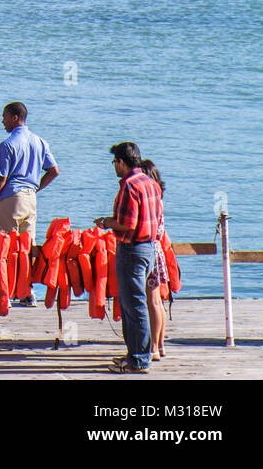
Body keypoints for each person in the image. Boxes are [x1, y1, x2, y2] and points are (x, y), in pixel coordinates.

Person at [94, 142, 163, 374]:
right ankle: (135, 353)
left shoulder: (129, 186)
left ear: (122, 162)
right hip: (150, 248)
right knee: (135, 304)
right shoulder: (151, 183)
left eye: (115, 162)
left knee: (133, 305)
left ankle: (139, 359)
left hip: (133, 249)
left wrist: (105, 222)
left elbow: (126, 224)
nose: (114, 166)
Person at [0, 101, 56, 306]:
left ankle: (3, 292)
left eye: (5, 116)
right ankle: (27, 293)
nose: (2, 121)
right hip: (30, 198)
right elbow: (53, 171)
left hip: (10, 198)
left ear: (15, 117)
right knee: (27, 246)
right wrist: (36, 188)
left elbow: (1, 178)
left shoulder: (7, 144)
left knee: (3, 246)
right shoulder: (40, 141)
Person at [140, 159, 168, 361]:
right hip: (157, 251)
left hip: (150, 251)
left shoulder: (151, 200)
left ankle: (154, 348)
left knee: (152, 301)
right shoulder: (159, 199)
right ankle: (161, 344)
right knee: (157, 301)